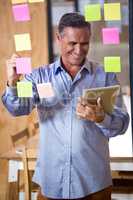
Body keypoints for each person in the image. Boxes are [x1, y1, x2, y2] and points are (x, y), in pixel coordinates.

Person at [2, 13, 129, 200]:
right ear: (59, 39)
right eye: (72, 44)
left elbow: (122, 123)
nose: (79, 50)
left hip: (94, 185)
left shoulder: (105, 76)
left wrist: (101, 117)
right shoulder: (39, 77)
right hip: (52, 183)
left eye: (84, 43)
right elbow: (17, 108)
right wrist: (13, 83)